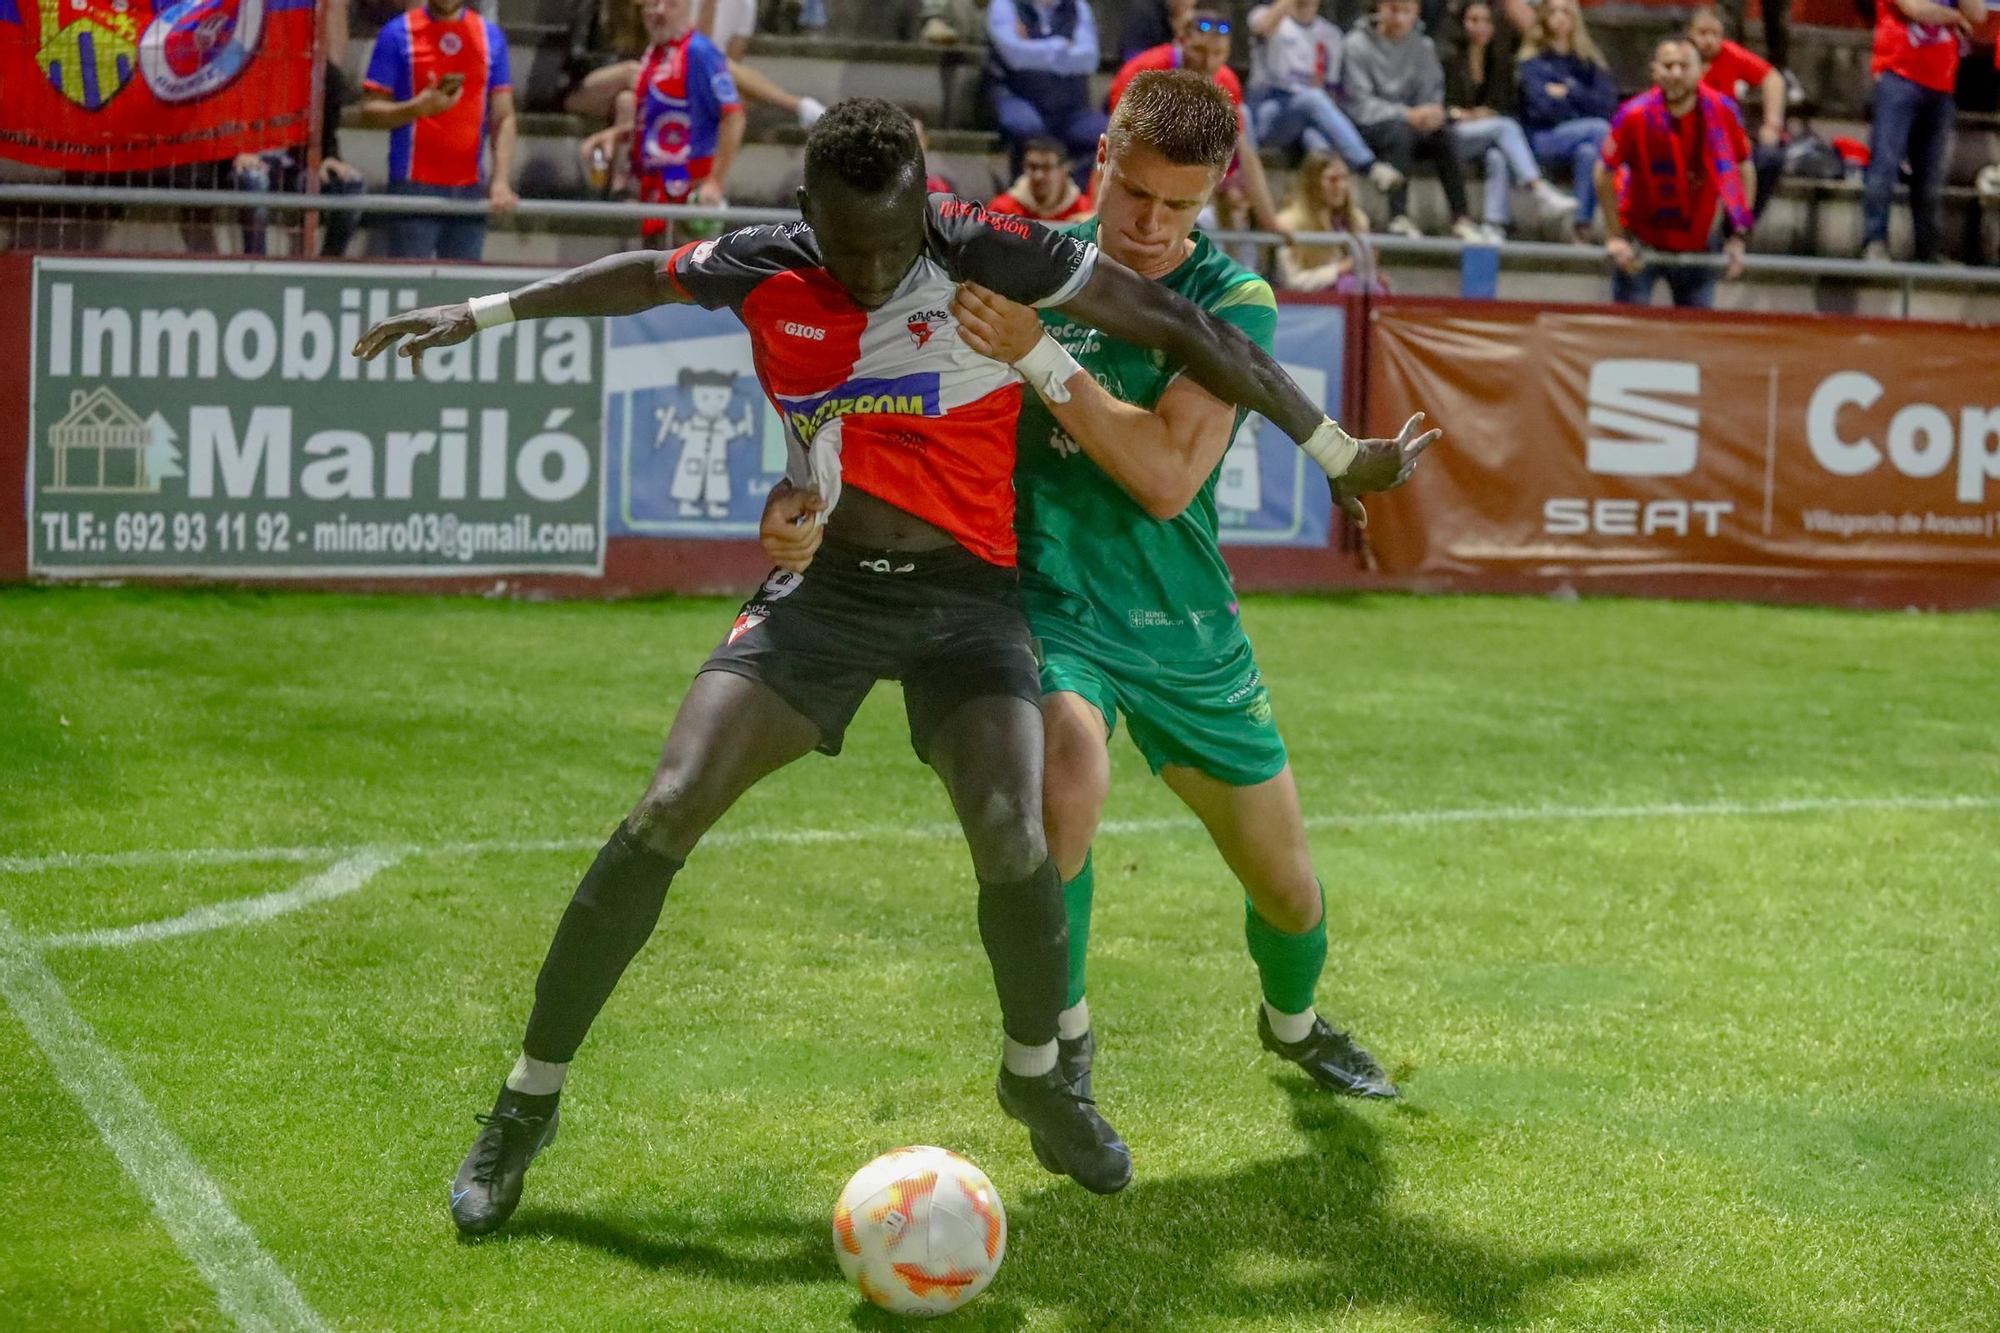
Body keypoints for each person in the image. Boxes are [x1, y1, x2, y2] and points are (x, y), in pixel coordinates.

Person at [354, 97, 1417, 1235]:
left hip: (995, 605)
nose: (870, 273)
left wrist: (1336, 451)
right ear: (803, 211)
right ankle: (526, 1104)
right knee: (669, 806)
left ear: (929, 206)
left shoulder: (997, 252)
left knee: (1096, 844)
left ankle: (1057, 1072)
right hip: (837, 593)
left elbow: (1186, 347)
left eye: (892, 245)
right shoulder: (767, 265)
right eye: (847, 246)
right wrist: (483, 310)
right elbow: (632, 276)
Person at [940, 70, 1435, 1128]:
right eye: (1136, 198)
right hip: (1048, 604)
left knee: (1288, 894)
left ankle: (1292, 1024)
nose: (1153, 227)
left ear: (1212, 196)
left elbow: (1166, 479)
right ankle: (1058, 1037)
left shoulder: (1227, 298)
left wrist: (1035, 355)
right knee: (1065, 770)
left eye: (1181, 207)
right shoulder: (1024, 255)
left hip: (1185, 626)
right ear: (1104, 158)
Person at [1596, 38, 1755, 308]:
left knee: (1695, 338)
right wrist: (1614, 235)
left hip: (1699, 243)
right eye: (1669, 66)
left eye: (1685, 66)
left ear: (1702, 70)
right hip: (1641, 241)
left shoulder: (1723, 111)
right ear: (1655, 71)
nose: (1677, 74)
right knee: (1627, 332)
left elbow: (1744, 169)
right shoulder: (1633, 114)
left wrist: (1738, 234)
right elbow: (1603, 173)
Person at [1106, 9, 1290, 238]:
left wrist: (1269, 219)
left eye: (1218, 53)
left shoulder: (1226, 81)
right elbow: (1118, 140)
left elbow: (1244, 152)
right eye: (1199, 51)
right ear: (1181, 41)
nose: (1208, 62)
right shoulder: (1144, 70)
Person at [359, 0, 518, 261]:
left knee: (463, 294)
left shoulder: (489, 36)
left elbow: (504, 116)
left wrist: (501, 180)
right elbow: (369, 112)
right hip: (412, 186)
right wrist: (416, 109)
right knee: (410, 289)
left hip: (470, 190)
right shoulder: (399, 33)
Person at [578, 0, 745, 244]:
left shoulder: (698, 51)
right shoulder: (655, 54)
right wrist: (617, 134)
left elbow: (733, 116)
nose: (658, 11)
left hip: (687, 187)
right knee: (655, 274)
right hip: (653, 186)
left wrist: (715, 183)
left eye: (670, 4)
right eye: (652, 4)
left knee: (686, 272)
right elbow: (658, 121)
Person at [1341, 0, 1482, 240]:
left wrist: (1430, 114)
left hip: (1414, 122)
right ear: (1380, 7)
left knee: (1443, 135)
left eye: (1406, 12)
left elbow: (1431, 94)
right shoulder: (1356, 45)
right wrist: (1407, 114)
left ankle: (1461, 218)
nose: (1399, 19)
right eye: (1393, 10)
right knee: (1400, 132)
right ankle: (1398, 216)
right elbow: (1359, 104)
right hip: (1369, 126)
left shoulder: (1423, 46)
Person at [1861, 0, 1987, 262]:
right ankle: (1875, 241)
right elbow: (1913, 8)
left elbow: (1978, 14)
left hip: (1941, 83)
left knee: (1929, 175)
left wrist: (1958, 13)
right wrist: (1953, 16)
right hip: (1898, 74)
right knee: (1885, 164)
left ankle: (1927, 249)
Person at [1442, 0, 1576, 239]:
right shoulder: (1448, 58)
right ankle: (1538, 190)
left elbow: (1502, 105)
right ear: (1462, 23)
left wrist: (1487, 115)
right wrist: (1467, 115)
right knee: (1506, 128)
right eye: (1473, 20)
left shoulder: (1499, 61)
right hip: (1450, 135)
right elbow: (1439, 106)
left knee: (1498, 156)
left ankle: (1495, 223)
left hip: (1485, 134)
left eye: (1486, 21)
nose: (1480, 27)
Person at [1246, 0, 1402, 194]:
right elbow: (1262, 29)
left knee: (1319, 143)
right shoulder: (1265, 15)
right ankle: (1369, 165)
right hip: (1267, 111)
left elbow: (1331, 90)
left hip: (1309, 115)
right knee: (1311, 99)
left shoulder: (1330, 34)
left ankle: (1326, 216)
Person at [1516, 0, 1620, 243]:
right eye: (1553, 12)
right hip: (1542, 138)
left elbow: (1607, 105)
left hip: (1578, 138)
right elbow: (1540, 109)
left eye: (1565, 12)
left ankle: (1580, 225)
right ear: (1544, 18)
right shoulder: (1532, 62)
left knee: (1588, 151)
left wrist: (1569, 92)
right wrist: (1581, 105)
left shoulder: (1588, 60)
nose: (1560, 18)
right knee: (1599, 130)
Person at [987, 0, 1110, 189]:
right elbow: (1015, 56)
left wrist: (1033, 47)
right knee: (1027, 128)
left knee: (1110, 135)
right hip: (1019, 97)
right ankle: (1021, 200)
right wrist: (1064, 47)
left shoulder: (1077, 6)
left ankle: (1073, 195)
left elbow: (1089, 59)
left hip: (1069, 108)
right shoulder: (1005, 4)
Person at [1688, 5, 1787, 218]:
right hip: (1693, 140)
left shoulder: (1730, 54)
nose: (1708, 40)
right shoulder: (1680, 61)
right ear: (1691, 34)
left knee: (1770, 158)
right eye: (1702, 33)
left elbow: (1773, 79)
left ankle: (1738, 224)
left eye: (1714, 34)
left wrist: (1772, 124)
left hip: (1730, 138)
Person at [1275, 150, 1384, 291]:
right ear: (1312, 182)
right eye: (1333, 179)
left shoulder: (1358, 220)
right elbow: (1292, 281)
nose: (1341, 186)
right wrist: (1338, 270)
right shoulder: (1288, 222)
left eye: (1345, 178)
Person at [990, 136, 1098, 221]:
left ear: (1065, 169)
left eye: (1047, 168)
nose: (1038, 176)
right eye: (1032, 167)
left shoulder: (1084, 211)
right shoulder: (1002, 211)